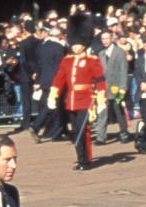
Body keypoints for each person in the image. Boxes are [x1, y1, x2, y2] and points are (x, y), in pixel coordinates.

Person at [47, 14, 107, 171]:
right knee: (74, 131)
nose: (75, 46)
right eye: (73, 43)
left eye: (78, 43)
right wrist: (53, 95)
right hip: (71, 100)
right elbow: (59, 79)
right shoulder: (66, 61)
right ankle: (80, 158)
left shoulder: (92, 60)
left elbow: (100, 81)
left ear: (84, 43)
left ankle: (85, 160)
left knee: (83, 130)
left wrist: (101, 100)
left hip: (86, 100)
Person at [30, 26, 67, 142]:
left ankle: (56, 132)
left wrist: (38, 81)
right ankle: (37, 126)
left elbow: (39, 66)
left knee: (53, 106)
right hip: (55, 80)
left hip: (45, 80)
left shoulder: (42, 47)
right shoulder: (59, 47)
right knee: (51, 105)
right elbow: (60, 67)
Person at [95, 31, 132, 144]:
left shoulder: (119, 52)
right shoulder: (101, 53)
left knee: (119, 111)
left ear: (112, 39)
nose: (105, 41)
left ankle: (124, 133)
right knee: (102, 112)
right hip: (103, 89)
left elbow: (123, 71)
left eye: (107, 38)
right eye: (103, 39)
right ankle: (101, 136)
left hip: (117, 88)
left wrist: (123, 87)